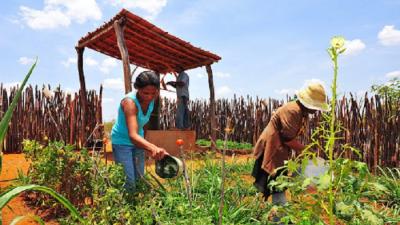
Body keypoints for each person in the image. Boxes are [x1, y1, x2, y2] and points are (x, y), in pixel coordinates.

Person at [252, 81, 329, 207]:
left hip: (278, 149)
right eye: (315, 107)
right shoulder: (293, 110)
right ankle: (279, 216)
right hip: (272, 148)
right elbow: (287, 138)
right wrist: (307, 150)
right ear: (308, 103)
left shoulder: (300, 110)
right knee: (276, 183)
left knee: (275, 182)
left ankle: (274, 211)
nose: (316, 110)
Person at [111, 71, 169, 191]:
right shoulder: (130, 103)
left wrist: (145, 144)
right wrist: (152, 148)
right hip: (122, 142)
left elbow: (143, 123)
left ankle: (138, 206)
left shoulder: (153, 99)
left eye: (153, 93)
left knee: (140, 178)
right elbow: (132, 135)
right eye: (145, 93)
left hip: (138, 141)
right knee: (128, 182)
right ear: (137, 88)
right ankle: (125, 207)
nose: (149, 97)